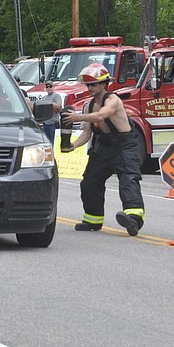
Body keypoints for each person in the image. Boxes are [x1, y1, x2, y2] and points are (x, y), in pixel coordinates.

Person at [62, 63, 145, 236]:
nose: (90, 88)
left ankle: (134, 218)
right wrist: (72, 146)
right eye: (88, 85)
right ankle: (93, 219)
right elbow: (86, 133)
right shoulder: (88, 106)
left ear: (103, 84)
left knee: (128, 179)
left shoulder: (113, 100)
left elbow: (101, 116)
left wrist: (76, 117)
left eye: (93, 84)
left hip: (124, 145)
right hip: (104, 146)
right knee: (90, 182)